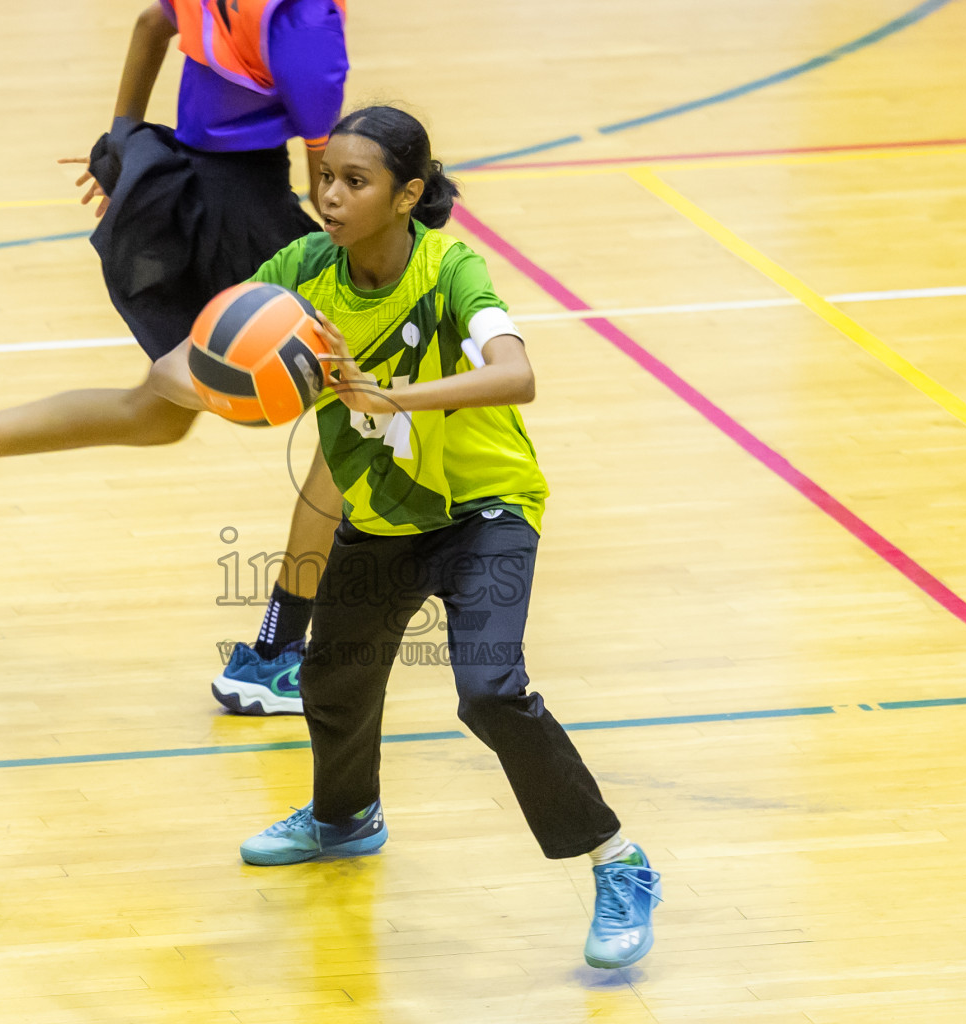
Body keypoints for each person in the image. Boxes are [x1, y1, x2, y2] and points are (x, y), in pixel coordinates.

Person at [149, 105, 661, 970]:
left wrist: (386, 397)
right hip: (386, 518)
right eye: (325, 179)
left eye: (355, 182)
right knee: (333, 676)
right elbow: (194, 361)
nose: (330, 196)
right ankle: (345, 820)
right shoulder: (303, 269)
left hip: (485, 512)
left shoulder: (449, 268)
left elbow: (517, 374)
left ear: (408, 194)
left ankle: (619, 863)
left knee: (489, 690)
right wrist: (227, 379)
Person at [0, 0, 350, 716]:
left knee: (157, 415)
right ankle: (273, 653)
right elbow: (337, 190)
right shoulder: (306, 21)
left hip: (177, 185)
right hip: (246, 218)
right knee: (355, 420)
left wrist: (123, 148)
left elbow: (151, 25)